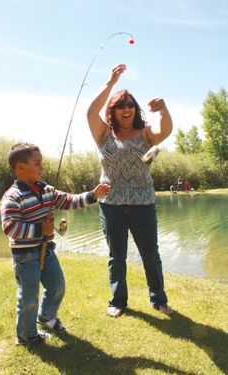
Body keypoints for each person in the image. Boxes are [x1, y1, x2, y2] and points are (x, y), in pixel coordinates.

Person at [1, 142, 110, 345]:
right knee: (28, 297)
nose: (42, 167)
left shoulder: (47, 190)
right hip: (25, 255)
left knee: (57, 285)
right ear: (20, 167)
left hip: (47, 250)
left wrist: (92, 195)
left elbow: (69, 201)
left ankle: (46, 316)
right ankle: (26, 335)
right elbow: (9, 227)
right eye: (37, 163)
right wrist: (39, 230)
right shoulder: (12, 196)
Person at [87, 63, 173, 317]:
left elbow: (165, 130)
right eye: (120, 105)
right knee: (116, 256)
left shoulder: (145, 133)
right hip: (111, 204)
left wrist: (164, 110)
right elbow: (91, 111)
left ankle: (158, 298)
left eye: (130, 105)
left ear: (135, 110)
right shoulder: (103, 133)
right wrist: (110, 82)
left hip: (143, 204)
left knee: (150, 253)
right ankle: (118, 301)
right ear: (112, 110)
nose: (126, 109)